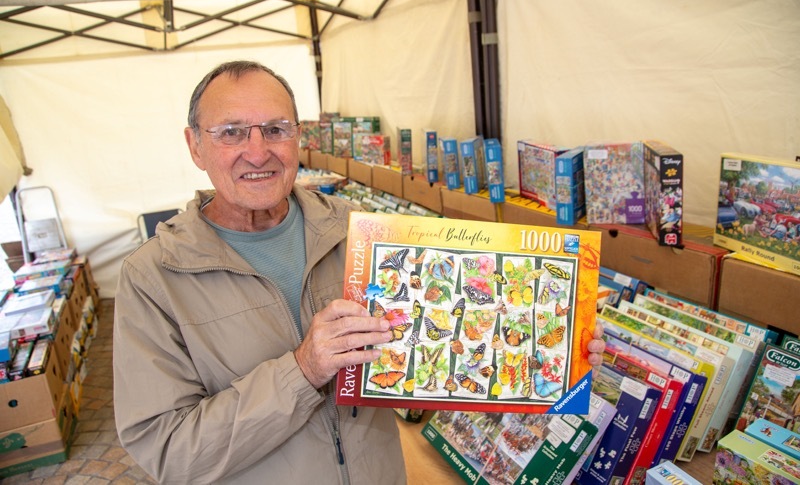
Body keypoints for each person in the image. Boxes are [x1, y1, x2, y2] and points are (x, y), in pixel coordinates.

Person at [113, 60, 607, 484]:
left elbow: (442, 353)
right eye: (232, 132)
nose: (258, 150)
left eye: (277, 129)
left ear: (298, 138)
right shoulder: (154, 277)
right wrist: (302, 370)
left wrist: (554, 345)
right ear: (195, 145)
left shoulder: (360, 233)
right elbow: (167, 450)